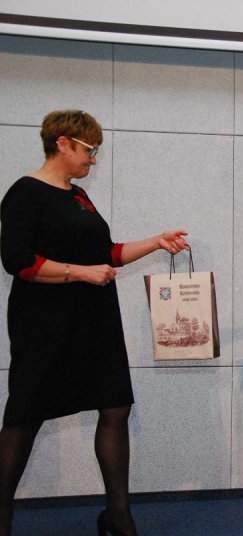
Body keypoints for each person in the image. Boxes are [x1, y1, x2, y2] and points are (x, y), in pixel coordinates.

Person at [0, 110, 189, 536]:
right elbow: (18, 261)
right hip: (44, 323)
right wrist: (79, 272)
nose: (94, 159)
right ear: (62, 143)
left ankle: (118, 516)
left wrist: (156, 242)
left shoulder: (78, 195)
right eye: (90, 149)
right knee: (25, 416)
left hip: (94, 319)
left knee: (115, 406)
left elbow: (107, 252)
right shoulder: (25, 192)